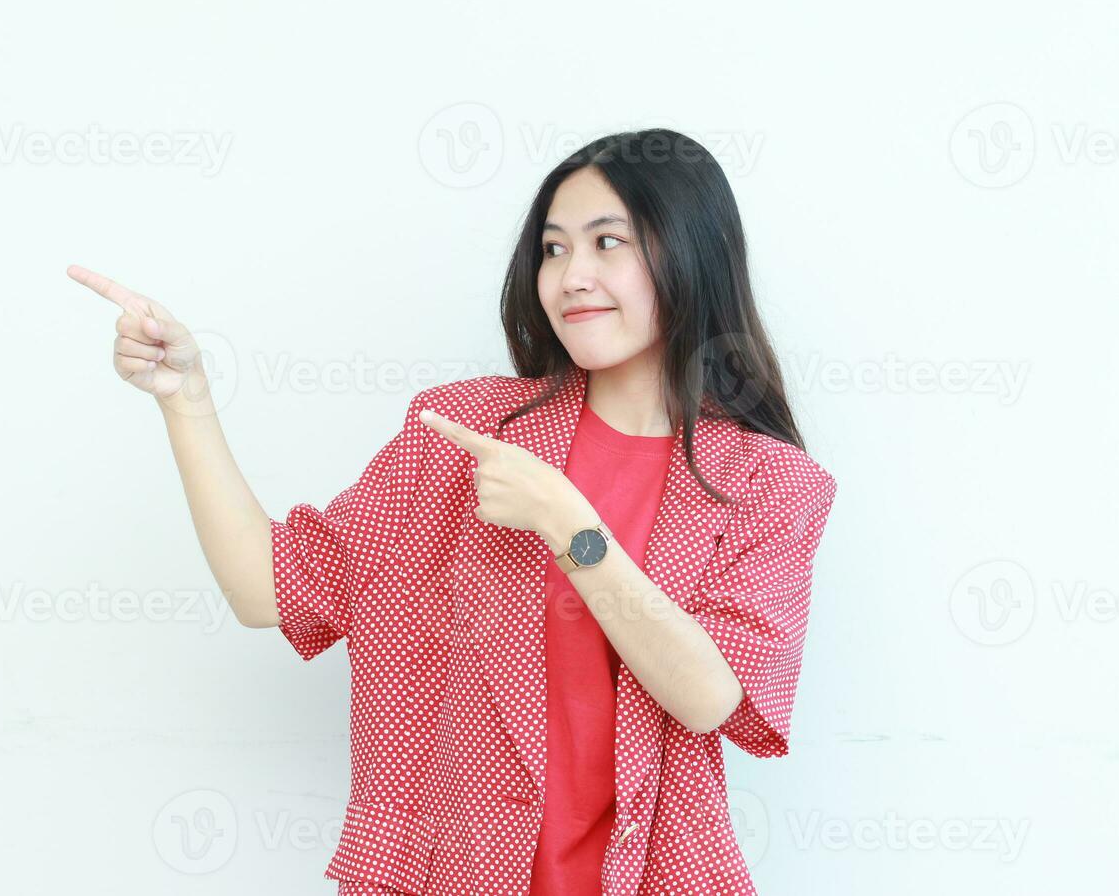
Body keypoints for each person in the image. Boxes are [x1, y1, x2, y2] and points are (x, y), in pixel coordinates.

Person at [68, 128, 838, 895]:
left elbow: (709, 698)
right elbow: (265, 591)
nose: (572, 276)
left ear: (694, 255)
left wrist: (568, 523)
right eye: (555, 248)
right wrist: (189, 401)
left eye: (609, 243)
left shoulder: (768, 484)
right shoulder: (459, 440)